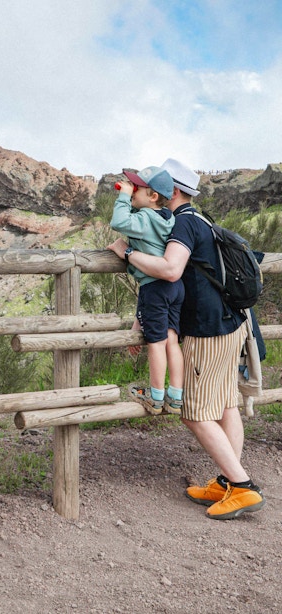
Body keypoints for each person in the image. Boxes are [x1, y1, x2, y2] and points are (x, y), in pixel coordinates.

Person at [108, 158, 265, 520]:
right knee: (226, 404)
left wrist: (128, 253)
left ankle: (241, 487)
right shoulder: (202, 219)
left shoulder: (181, 223)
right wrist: (140, 320)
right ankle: (227, 481)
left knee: (193, 413)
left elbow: (170, 270)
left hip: (209, 329)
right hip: (233, 322)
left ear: (171, 191)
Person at [107, 166, 184, 415]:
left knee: (156, 343)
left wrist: (122, 196)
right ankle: (175, 396)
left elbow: (119, 222)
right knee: (172, 340)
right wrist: (131, 197)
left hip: (155, 287)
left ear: (152, 196)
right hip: (174, 288)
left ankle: (155, 397)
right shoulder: (166, 217)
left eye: (136, 188)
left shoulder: (144, 219)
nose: (131, 190)